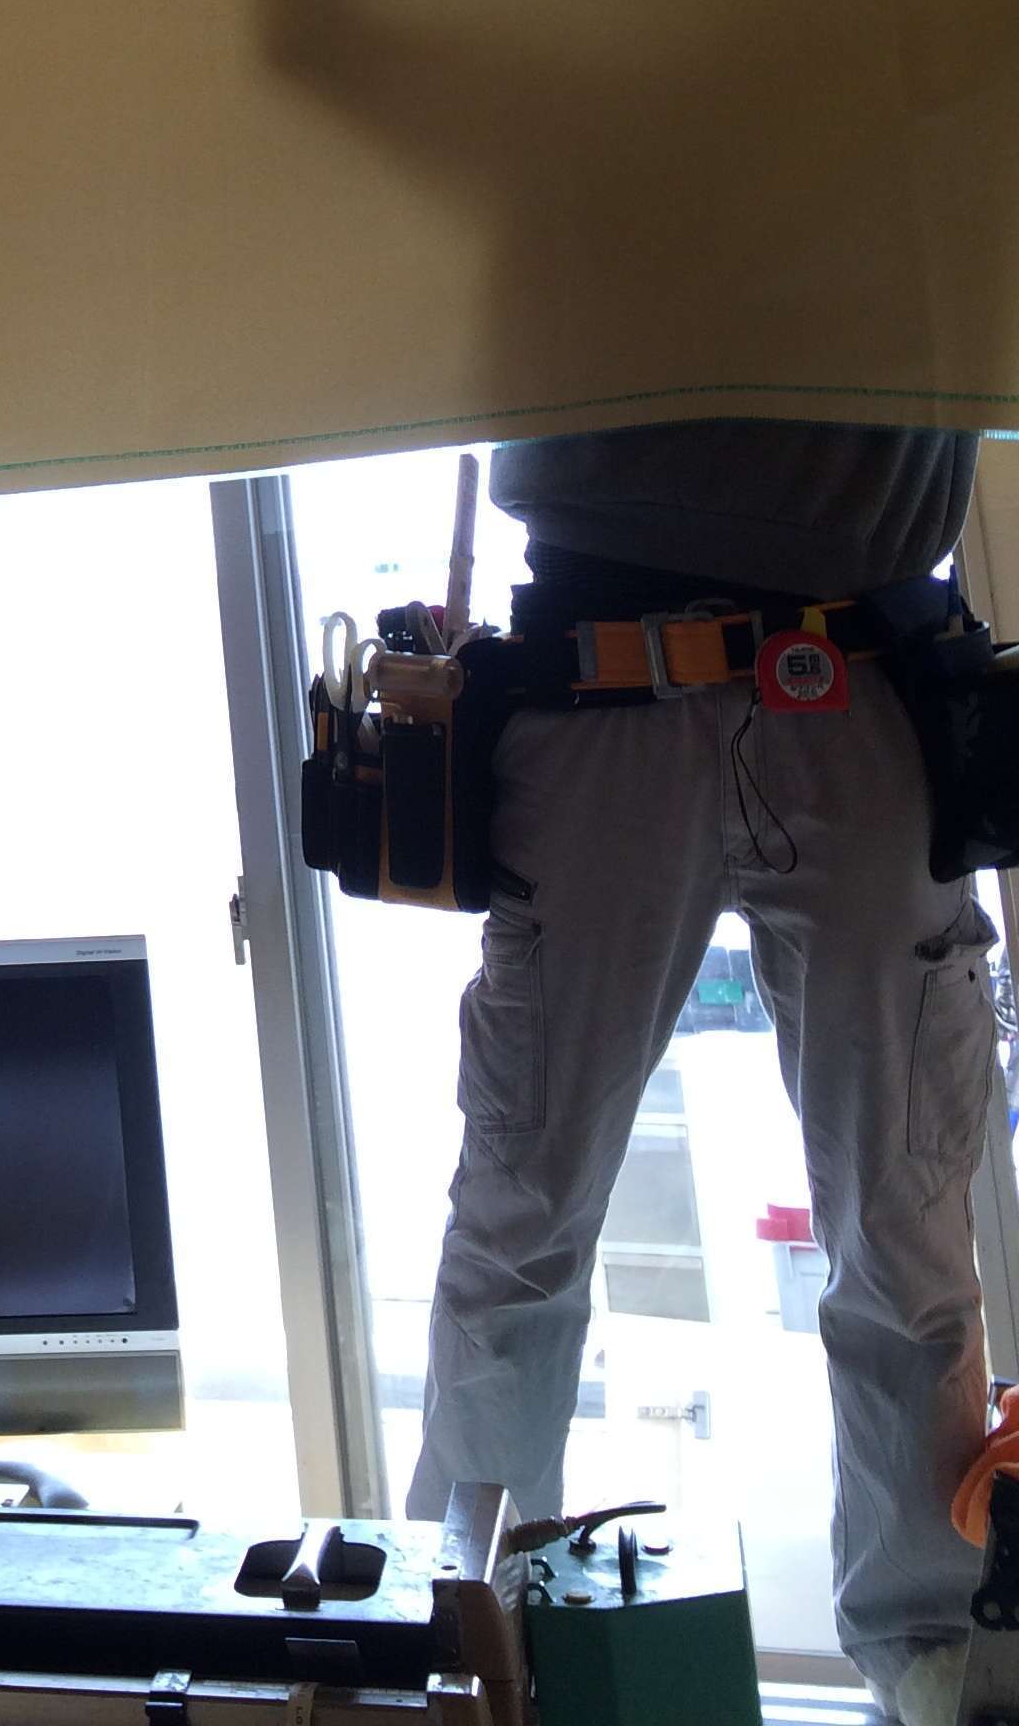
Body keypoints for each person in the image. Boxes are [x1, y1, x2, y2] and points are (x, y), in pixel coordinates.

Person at [405, 419, 996, 1726]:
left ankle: (937, 1661)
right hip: (614, 671)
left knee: (903, 1228)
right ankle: (466, 1652)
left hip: (855, 665)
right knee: (520, 1221)